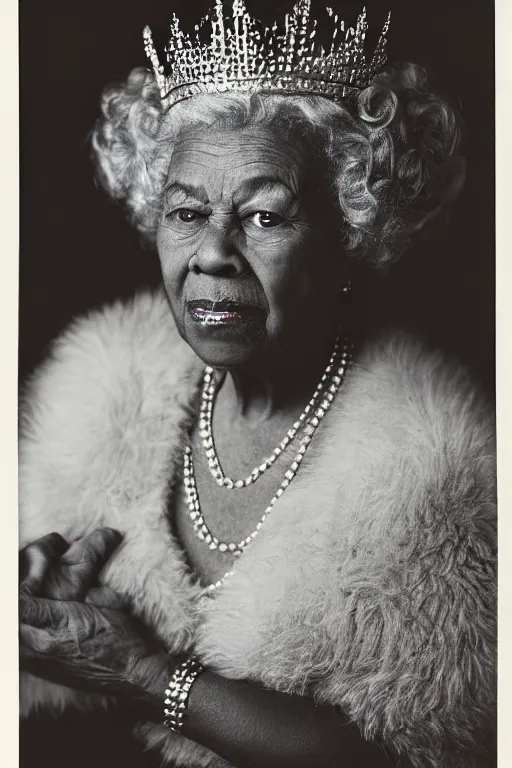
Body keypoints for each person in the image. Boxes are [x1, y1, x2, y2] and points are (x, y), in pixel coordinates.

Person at [18, 1, 496, 766]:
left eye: (265, 217)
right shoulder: (94, 401)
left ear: (349, 233)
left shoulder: (440, 480)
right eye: (186, 211)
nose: (213, 252)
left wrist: (146, 674)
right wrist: (28, 608)